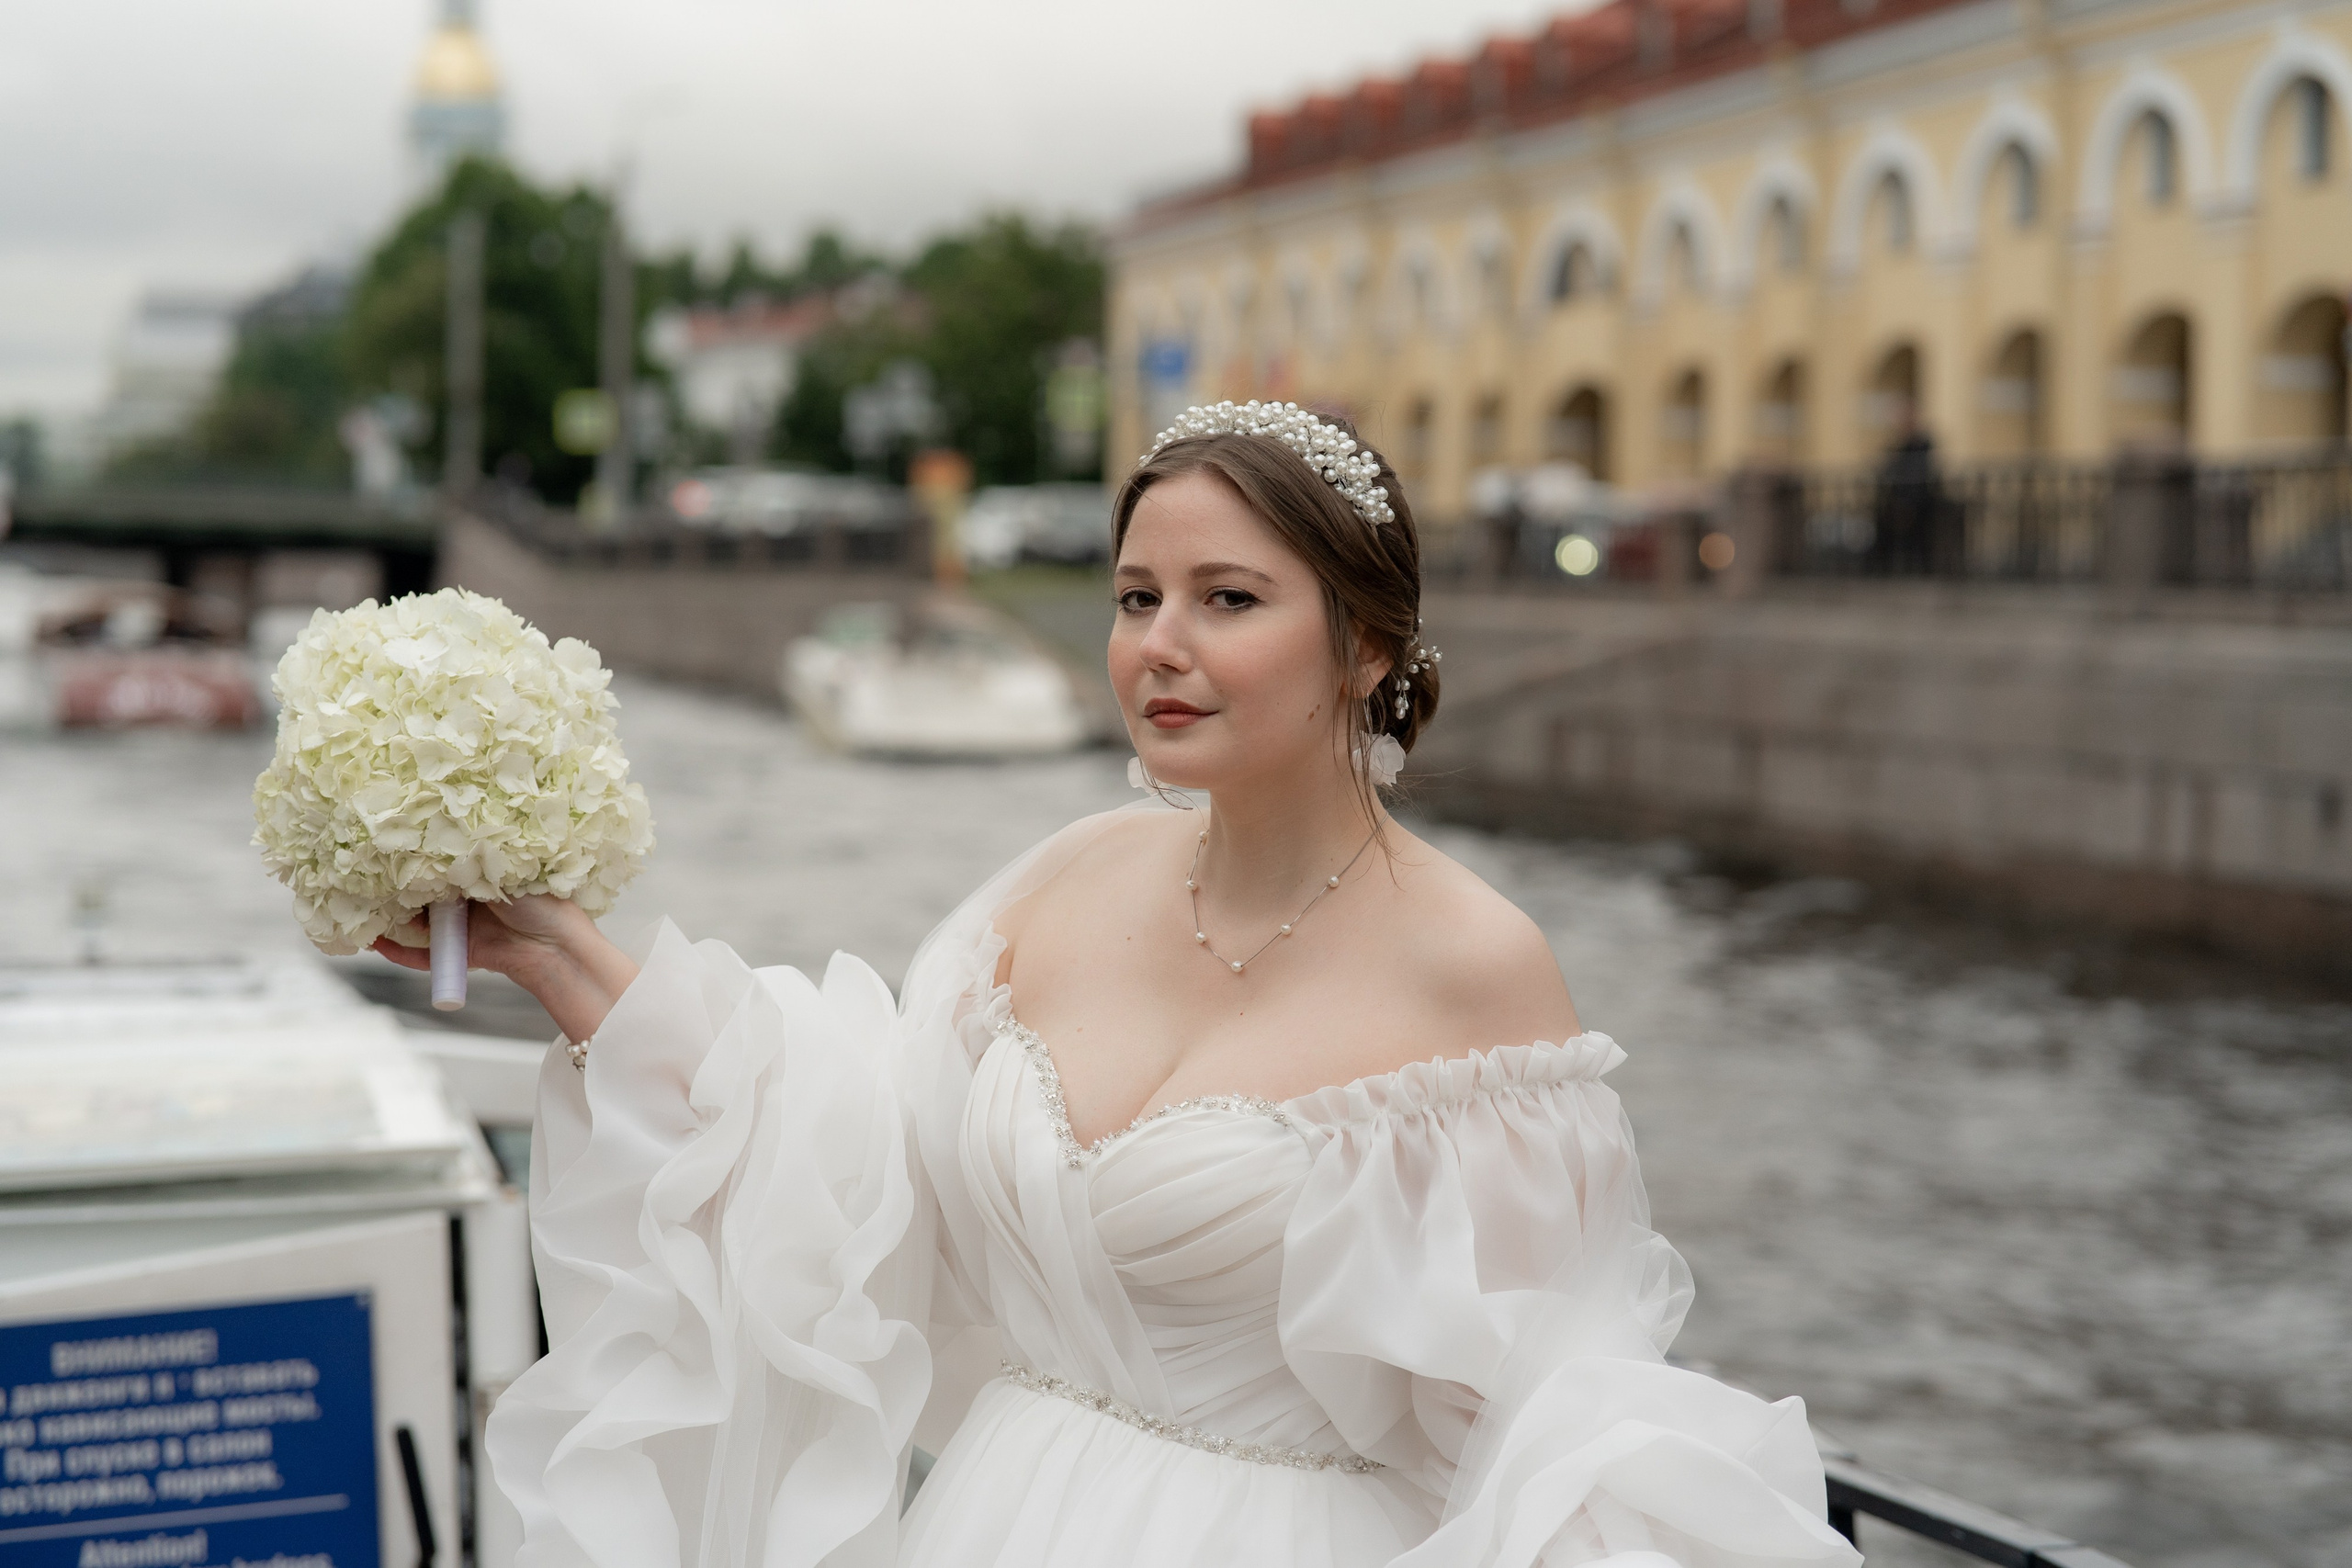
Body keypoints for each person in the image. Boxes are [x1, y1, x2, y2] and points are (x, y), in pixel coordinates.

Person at [375, 402, 1860, 1568]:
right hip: (992, 1520)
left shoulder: (1475, 968)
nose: (1161, 646)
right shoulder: (1068, 879)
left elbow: (1535, 1411)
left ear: (1366, 646)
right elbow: (858, 1166)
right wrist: (562, 956)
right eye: (1138, 595)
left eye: (1229, 599)